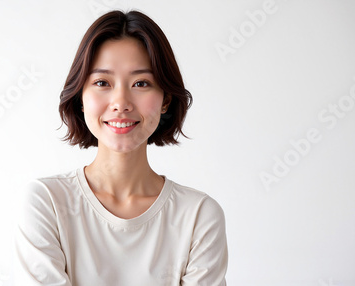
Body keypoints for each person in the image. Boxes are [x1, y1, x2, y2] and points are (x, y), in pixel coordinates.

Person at [14, 10, 228, 286]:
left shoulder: (199, 215)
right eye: (102, 83)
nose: (121, 102)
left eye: (141, 83)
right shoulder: (47, 202)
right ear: (81, 96)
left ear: (165, 100)